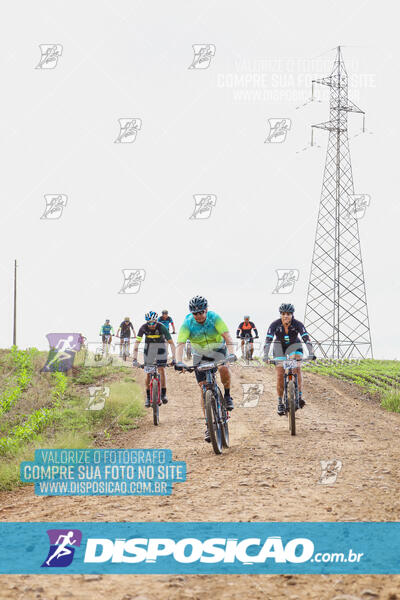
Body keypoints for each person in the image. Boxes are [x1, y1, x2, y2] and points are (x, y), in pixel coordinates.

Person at [174, 295, 236, 443]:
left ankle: (227, 396)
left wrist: (232, 352)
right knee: (203, 389)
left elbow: (227, 336)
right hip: (199, 354)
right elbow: (181, 344)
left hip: (218, 350)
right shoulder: (187, 323)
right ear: (191, 313)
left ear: (206, 310)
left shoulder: (214, 318)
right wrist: (179, 361)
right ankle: (209, 425)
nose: (199, 316)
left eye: (201, 312)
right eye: (195, 313)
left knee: (223, 369)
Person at [262, 303, 315, 415]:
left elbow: (306, 338)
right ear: (280, 314)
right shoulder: (274, 325)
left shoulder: (298, 324)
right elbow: (268, 341)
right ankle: (280, 402)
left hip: (295, 346)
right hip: (279, 346)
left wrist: (311, 352)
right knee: (280, 373)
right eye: (283, 314)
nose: (286, 316)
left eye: (288, 314)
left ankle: (299, 395)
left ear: (292, 315)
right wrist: (266, 355)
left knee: (297, 368)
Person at [132, 311, 176, 406]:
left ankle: (163, 394)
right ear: (147, 322)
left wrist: (174, 358)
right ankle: (148, 397)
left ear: (156, 321)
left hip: (161, 349)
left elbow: (171, 343)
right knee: (148, 373)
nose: (151, 325)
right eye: (149, 323)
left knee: (161, 369)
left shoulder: (162, 327)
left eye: (153, 323)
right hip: (149, 350)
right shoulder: (143, 327)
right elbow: (136, 343)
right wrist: (134, 359)